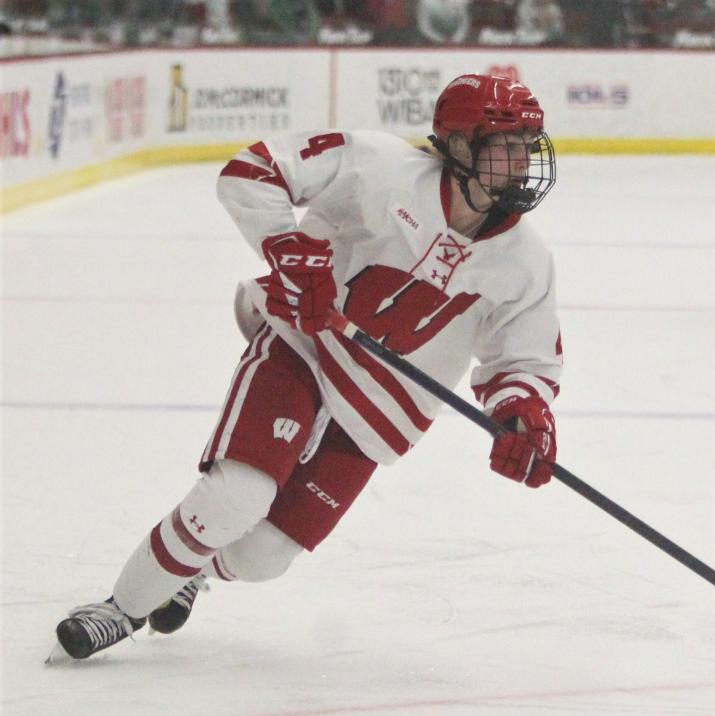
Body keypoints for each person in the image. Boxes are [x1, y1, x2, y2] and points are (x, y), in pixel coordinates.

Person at [51, 74, 563, 661]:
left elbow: (522, 359)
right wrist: (286, 248)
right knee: (236, 496)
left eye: (529, 143)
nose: (524, 160)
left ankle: (190, 572)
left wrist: (522, 413)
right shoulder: (380, 167)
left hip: (381, 411)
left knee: (261, 557)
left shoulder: (525, 261)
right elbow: (255, 170)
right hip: (306, 347)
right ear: (460, 146)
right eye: (507, 142)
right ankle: (120, 609)